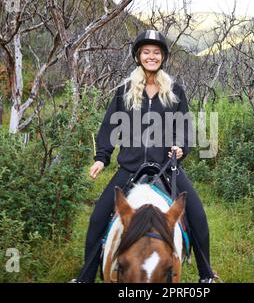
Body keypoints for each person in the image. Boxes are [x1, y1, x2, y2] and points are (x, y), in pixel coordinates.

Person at [74, 30, 217, 283]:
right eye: (146, 52)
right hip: (129, 168)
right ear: (138, 56)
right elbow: (109, 128)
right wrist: (101, 157)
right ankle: (85, 278)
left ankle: (206, 275)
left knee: (197, 214)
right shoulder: (124, 91)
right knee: (98, 218)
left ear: (163, 57)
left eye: (157, 52)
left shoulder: (176, 91)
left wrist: (181, 147)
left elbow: (185, 129)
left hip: (166, 169)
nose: (152, 56)